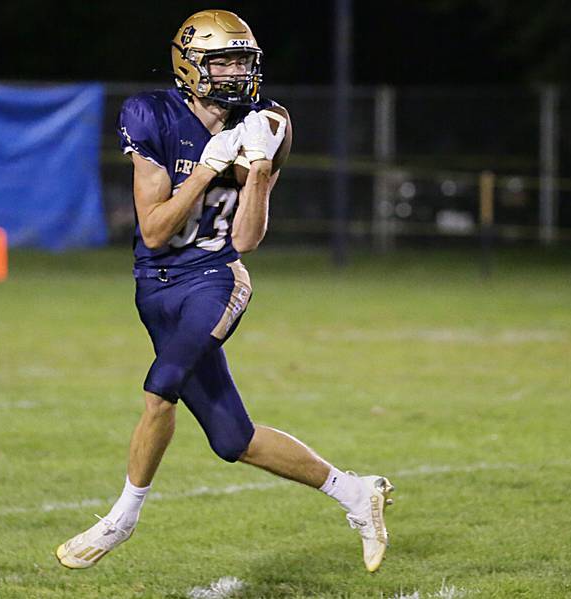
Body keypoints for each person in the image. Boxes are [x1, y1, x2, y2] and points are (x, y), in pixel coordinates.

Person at [55, 9, 394, 573]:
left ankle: (121, 519)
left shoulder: (267, 120)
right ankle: (357, 493)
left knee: (161, 386)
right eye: (224, 61)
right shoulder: (151, 115)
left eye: (244, 60)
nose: (238, 72)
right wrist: (209, 168)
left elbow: (247, 238)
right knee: (233, 439)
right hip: (155, 284)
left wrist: (259, 170)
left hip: (216, 278)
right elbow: (156, 231)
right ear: (191, 66)